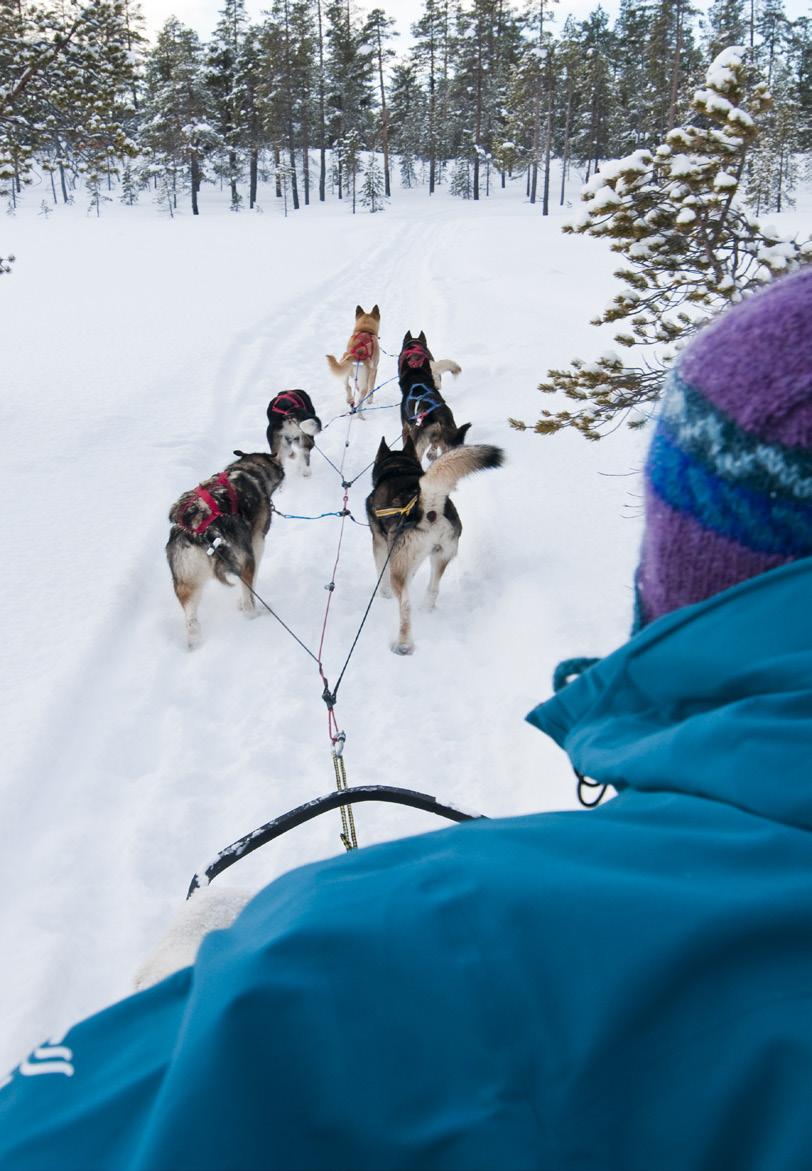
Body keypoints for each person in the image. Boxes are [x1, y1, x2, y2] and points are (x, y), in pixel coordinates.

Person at [1, 268, 811, 1171]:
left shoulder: (428, 922)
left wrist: (191, 970)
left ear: (674, 581)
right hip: (436, 526)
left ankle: (395, 612)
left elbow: (48, 1133)